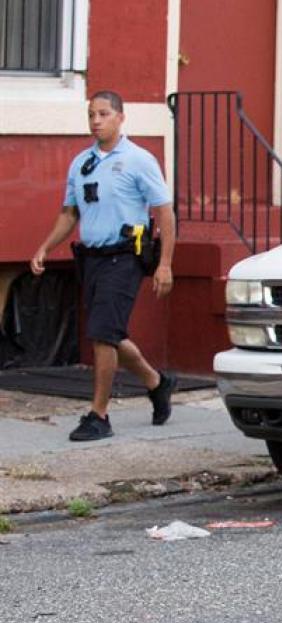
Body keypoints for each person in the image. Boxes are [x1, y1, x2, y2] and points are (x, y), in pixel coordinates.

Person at [30, 90, 178, 442]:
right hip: (93, 260)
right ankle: (157, 383)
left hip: (125, 257)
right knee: (108, 332)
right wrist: (45, 247)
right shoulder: (81, 163)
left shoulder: (140, 159)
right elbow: (70, 213)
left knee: (102, 333)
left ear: (120, 118)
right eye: (91, 114)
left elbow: (165, 212)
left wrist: (166, 265)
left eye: (104, 114)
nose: (96, 121)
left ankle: (99, 415)